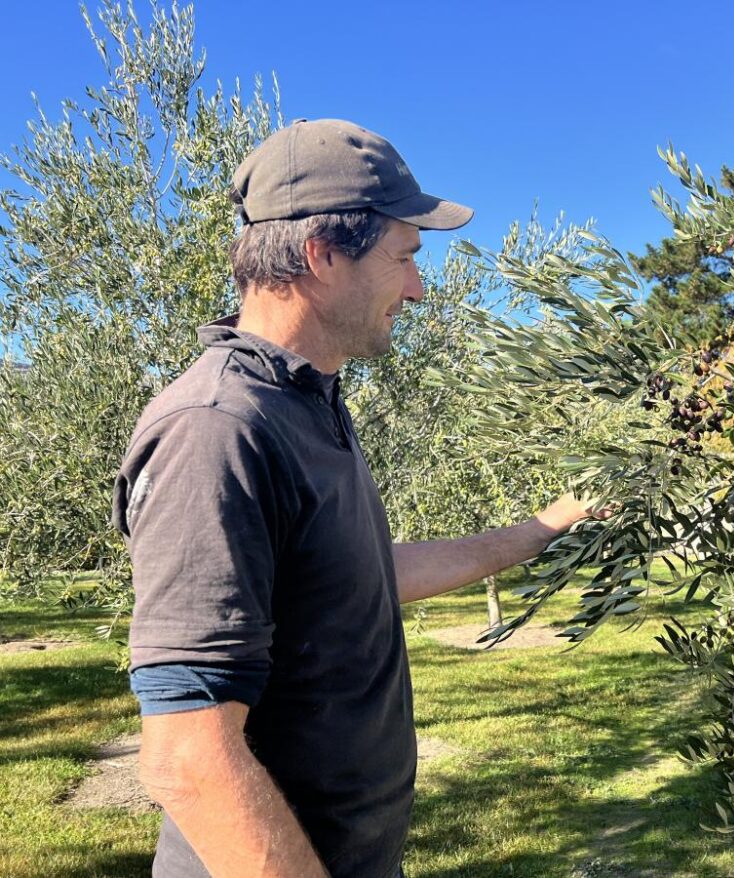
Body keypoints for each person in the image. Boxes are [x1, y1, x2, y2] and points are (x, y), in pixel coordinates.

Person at [112, 118, 596, 878]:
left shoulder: (305, 404)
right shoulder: (217, 430)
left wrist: (544, 527)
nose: (418, 288)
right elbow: (187, 755)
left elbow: (361, 574)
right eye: (404, 257)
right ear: (323, 254)